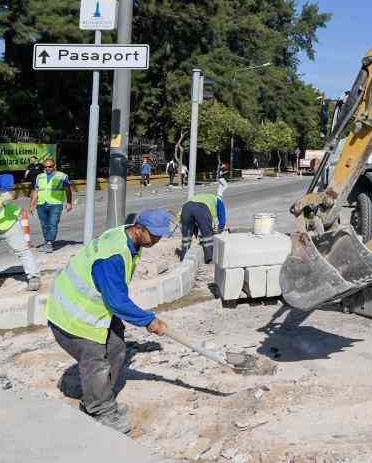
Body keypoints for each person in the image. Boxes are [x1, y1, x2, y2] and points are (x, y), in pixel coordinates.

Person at [45, 210, 173, 434]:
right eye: (153, 235)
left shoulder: (126, 237)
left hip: (90, 306)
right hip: (72, 315)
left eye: (161, 236)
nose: (157, 240)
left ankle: (96, 396)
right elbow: (117, 302)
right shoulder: (113, 256)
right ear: (138, 228)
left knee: (116, 348)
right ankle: (100, 409)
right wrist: (148, 321)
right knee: (95, 360)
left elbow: (113, 295)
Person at [26, 156, 74, 250]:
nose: (48, 168)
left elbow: (68, 190)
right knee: (44, 224)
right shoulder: (39, 177)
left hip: (55, 204)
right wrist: (31, 205)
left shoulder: (62, 176)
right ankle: (47, 240)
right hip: (41, 204)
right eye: (46, 167)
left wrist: (69, 202)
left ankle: (48, 242)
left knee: (53, 223)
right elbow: (36, 191)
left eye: (50, 166)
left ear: (54, 166)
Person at [180, 188, 227, 263]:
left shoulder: (203, 197)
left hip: (186, 207)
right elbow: (222, 220)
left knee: (186, 237)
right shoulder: (219, 201)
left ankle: (184, 257)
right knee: (207, 236)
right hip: (201, 208)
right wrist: (219, 230)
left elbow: (193, 222)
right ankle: (209, 258)